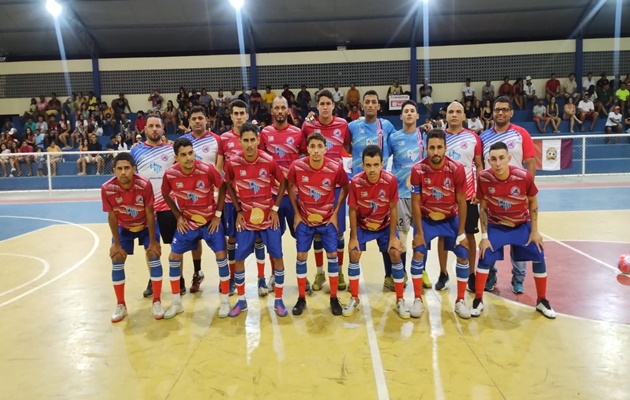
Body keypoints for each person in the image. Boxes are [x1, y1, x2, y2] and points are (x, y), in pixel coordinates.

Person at [472, 141, 556, 319]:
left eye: (502, 158)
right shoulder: (484, 178)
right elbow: (484, 207)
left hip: (521, 224)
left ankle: (542, 300)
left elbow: (533, 201)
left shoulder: (523, 176)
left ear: (509, 158)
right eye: (493, 159)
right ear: (489, 160)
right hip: (496, 225)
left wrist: (535, 231)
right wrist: (484, 236)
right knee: (484, 255)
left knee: (539, 253)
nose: (498, 163)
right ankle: (478, 299)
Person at [161, 137, 230, 319]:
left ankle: (225, 301)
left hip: (209, 222)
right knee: (173, 257)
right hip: (188, 223)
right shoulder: (170, 174)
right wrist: (178, 216)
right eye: (183, 155)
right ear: (176, 157)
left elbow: (223, 187)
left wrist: (218, 215)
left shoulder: (207, 169)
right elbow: (165, 193)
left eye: (190, 153)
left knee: (222, 256)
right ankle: (176, 303)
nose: (188, 158)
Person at [224, 122, 288, 317]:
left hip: (269, 220)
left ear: (258, 140)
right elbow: (227, 184)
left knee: (277, 256)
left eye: (253, 140)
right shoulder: (233, 163)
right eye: (246, 140)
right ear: (240, 142)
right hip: (247, 222)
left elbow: (283, 182)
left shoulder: (268, 160)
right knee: (239, 258)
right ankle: (242, 300)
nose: (250, 144)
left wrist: (275, 208)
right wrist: (238, 210)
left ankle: (278, 299)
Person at [409, 129, 471, 319]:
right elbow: (415, 203)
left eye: (439, 147)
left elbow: (462, 201)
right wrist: (419, 232)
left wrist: (461, 233)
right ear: (425, 148)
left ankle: (460, 300)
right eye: (432, 148)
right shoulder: (418, 170)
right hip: (426, 220)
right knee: (418, 250)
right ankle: (418, 299)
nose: (436, 152)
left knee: (463, 254)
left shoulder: (457, 169)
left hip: (449, 219)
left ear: (445, 148)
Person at [287, 132, 349, 316]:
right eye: (312, 146)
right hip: (305, 220)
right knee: (300, 255)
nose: (315, 150)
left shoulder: (335, 167)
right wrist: (297, 213)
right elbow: (289, 186)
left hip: (327, 219)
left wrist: (336, 213)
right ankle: (301, 298)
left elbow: (346, 188)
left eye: (319, 147)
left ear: (325, 149)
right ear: (307, 148)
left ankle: (333, 297)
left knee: (332, 254)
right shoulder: (297, 167)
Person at [479, 96, 536, 294]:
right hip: (493, 198)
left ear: (511, 112)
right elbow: (480, 165)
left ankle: (518, 279)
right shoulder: (484, 137)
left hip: (516, 197)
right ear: (492, 112)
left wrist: (528, 191)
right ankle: (491, 276)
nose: (500, 113)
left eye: (504, 109)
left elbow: (530, 162)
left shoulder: (521, 134)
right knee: (493, 239)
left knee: (519, 240)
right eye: (497, 109)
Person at [101, 152, 165, 322]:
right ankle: (121, 304)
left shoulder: (144, 184)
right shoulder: (107, 188)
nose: (123, 172)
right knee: (116, 258)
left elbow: (150, 213)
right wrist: (117, 244)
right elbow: (112, 217)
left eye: (127, 168)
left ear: (134, 169)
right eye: (119, 169)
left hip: (145, 225)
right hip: (124, 227)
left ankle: (157, 301)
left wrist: (152, 241)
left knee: (153, 254)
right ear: (113, 170)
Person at [346, 145, 405, 317]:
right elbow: (352, 210)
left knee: (395, 253)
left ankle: (400, 299)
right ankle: (354, 298)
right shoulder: (356, 182)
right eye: (368, 165)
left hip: (384, 226)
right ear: (362, 165)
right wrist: (353, 237)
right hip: (363, 226)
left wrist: (394, 237)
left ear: (382, 164)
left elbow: (394, 208)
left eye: (376, 165)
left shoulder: (390, 180)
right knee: (354, 253)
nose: (372, 169)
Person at [302, 90, 352, 292]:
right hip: (315, 187)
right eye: (321, 103)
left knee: (338, 233)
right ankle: (320, 272)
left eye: (327, 103)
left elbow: (347, 146)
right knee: (316, 232)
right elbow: (302, 148)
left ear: (333, 105)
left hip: (336, 186)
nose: (324, 106)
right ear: (317, 106)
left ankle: (338, 271)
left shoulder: (343, 125)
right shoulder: (308, 125)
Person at [218, 100, 267, 296]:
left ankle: (262, 279)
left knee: (258, 238)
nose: (239, 116)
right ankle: (232, 279)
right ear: (230, 116)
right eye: (235, 113)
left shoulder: (257, 136)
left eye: (242, 113)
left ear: (247, 116)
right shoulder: (223, 139)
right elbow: (219, 170)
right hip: (232, 201)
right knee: (231, 239)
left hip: (256, 200)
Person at [434, 102, 482, 294]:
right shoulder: (439, 138)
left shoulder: (473, 138)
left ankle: (471, 274)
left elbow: (478, 166)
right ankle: (443, 273)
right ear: (446, 116)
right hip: (444, 199)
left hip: (468, 197)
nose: (454, 115)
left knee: (469, 236)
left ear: (464, 116)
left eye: (458, 112)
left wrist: (479, 191)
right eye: (451, 112)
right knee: (442, 237)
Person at [259, 97, 306, 289]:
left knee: (301, 236)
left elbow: (305, 157)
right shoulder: (264, 133)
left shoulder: (298, 133)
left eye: (283, 107)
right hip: (272, 196)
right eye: (276, 107)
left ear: (288, 111)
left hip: (294, 196)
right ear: (272, 111)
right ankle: (274, 275)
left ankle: (303, 276)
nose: (279, 111)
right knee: (273, 238)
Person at [130, 114, 178, 298]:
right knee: (150, 247)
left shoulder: (172, 149)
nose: (154, 129)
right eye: (151, 126)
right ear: (145, 129)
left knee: (175, 247)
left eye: (158, 126)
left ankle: (178, 279)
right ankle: (153, 279)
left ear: (162, 129)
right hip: (147, 209)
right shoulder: (136, 152)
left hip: (168, 207)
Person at [387, 100, 430, 291]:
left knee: (422, 235)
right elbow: (382, 161)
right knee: (402, 237)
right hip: (402, 195)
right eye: (406, 111)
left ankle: (423, 270)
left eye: (413, 111)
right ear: (401, 116)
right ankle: (401, 271)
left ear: (417, 116)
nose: (410, 114)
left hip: (422, 194)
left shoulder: (425, 137)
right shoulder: (394, 138)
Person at [181, 106, 224, 294]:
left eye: (200, 118)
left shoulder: (216, 140)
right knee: (195, 238)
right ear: (189, 121)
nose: (197, 121)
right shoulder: (184, 141)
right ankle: (197, 272)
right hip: (191, 200)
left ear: (207, 119)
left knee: (219, 237)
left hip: (211, 197)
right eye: (194, 118)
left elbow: (219, 168)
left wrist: (215, 194)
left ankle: (225, 277)